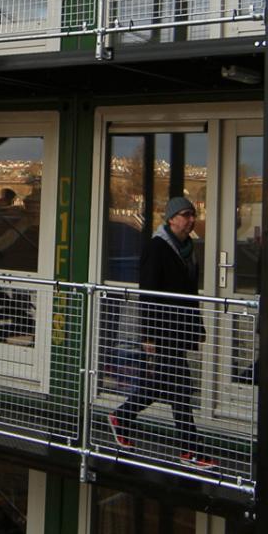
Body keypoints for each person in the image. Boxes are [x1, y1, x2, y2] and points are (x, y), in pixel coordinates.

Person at [109, 196, 212, 465]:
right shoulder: (157, 248)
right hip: (164, 328)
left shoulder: (188, 248)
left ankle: (123, 415)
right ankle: (190, 449)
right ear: (171, 218)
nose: (192, 220)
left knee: (167, 383)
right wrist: (148, 335)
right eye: (186, 214)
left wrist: (197, 327)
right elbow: (149, 293)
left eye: (193, 214)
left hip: (180, 327)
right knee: (180, 386)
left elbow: (190, 294)